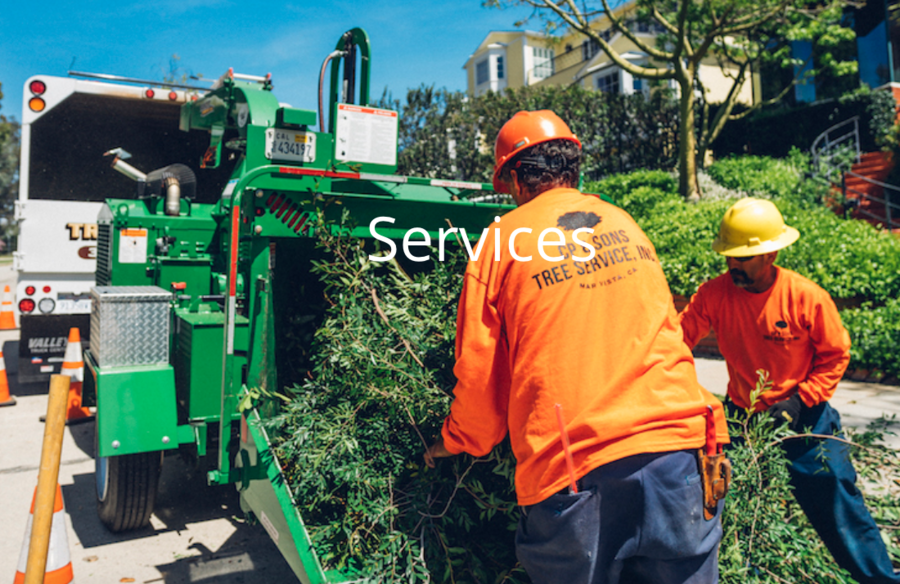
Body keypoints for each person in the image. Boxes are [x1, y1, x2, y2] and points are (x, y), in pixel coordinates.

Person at [423, 110, 729, 584]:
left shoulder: (501, 243)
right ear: (574, 167)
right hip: (681, 457)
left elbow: (481, 379)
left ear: (516, 178)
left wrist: (453, 442)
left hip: (580, 475)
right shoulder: (625, 224)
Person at [679, 197, 900, 584]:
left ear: (771, 253)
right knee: (735, 507)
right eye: (729, 256)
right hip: (745, 421)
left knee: (839, 506)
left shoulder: (805, 298)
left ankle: (879, 579)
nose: (733, 265)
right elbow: (676, 340)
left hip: (806, 421)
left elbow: (836, 355)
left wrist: (801, 399)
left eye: (743, 258)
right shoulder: (714, 294)